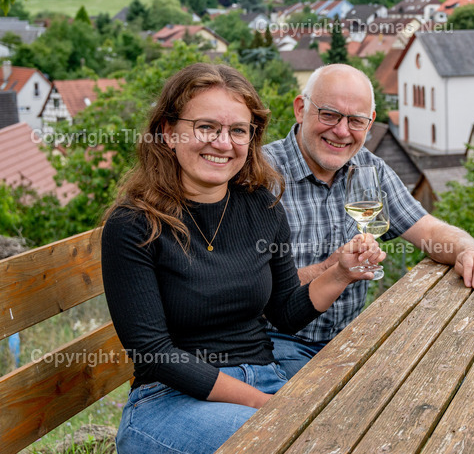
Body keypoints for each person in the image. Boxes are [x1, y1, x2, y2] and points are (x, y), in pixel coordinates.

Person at [102, 63, 382, 454]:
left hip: (264, 379)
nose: (223, 142)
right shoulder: (134, 225)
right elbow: (154, 352)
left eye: (238, 130)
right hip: (170, 400)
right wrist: (266, 406)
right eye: (206, 127)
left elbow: (284, 311)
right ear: (168, 132)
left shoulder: (261, 206)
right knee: (299, 442)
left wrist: (340, 272)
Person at [264, 63, 474, 377]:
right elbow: (244, 289)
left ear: (370, 122)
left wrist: (468, 251)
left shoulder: (366, 168)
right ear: (300, 109)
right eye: (329, 114)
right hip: (279, 343)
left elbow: (428, 230)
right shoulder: (260, 175)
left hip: (349, 338)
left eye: (356, 120)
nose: (341, 131)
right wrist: (330, 271)